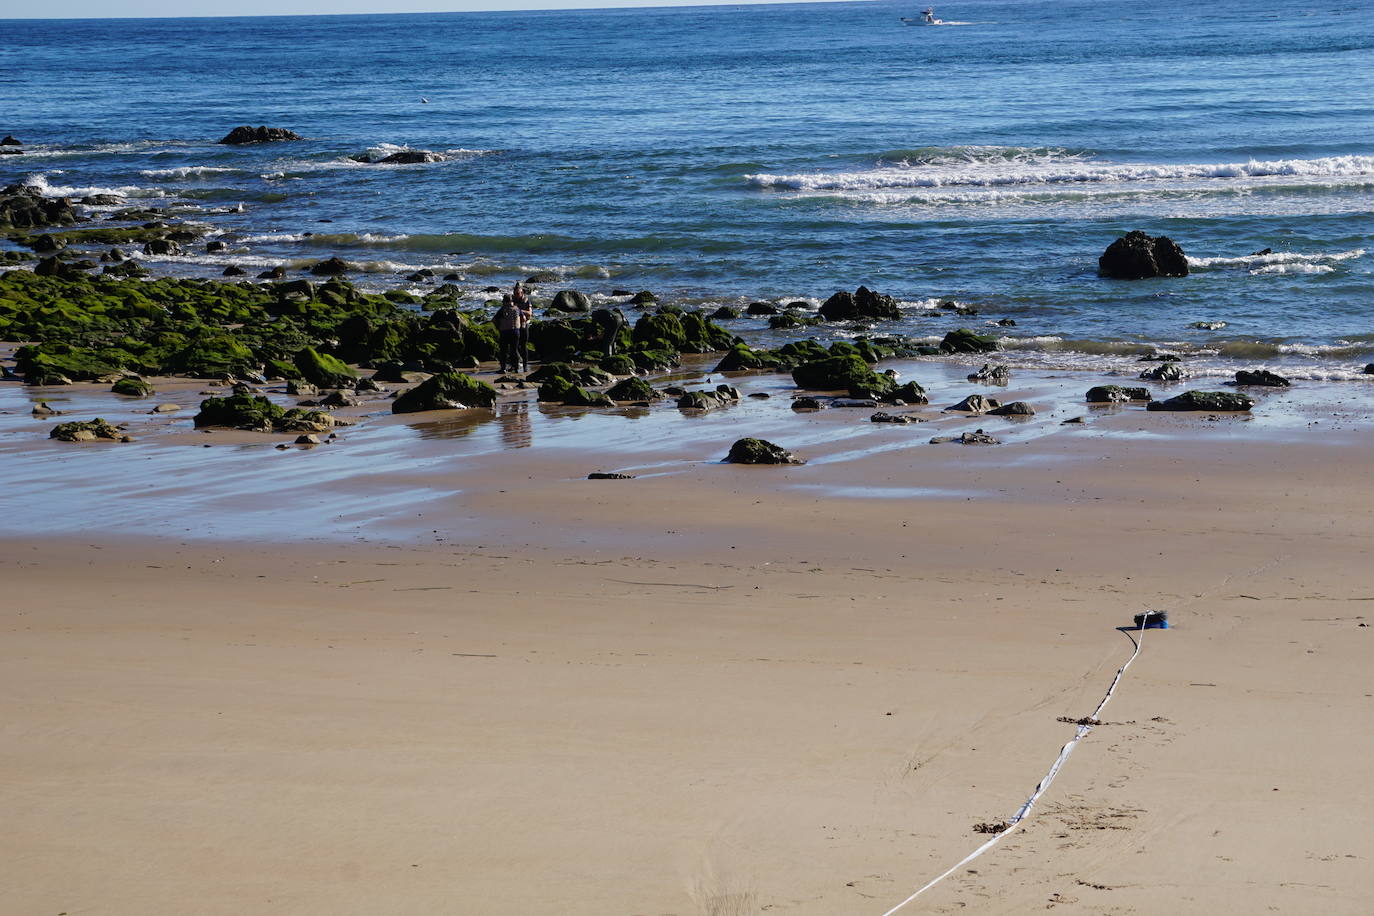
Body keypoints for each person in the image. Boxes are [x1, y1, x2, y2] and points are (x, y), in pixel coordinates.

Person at [494, 294, 521, 373]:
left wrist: (498, 328)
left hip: (505, 332)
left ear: (505, 302)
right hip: (516, 332)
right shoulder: (517, 309)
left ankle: (503, 368)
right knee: (514, 350)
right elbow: (523, 318)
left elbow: (494, 320)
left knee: (503, 351)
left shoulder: (502, 310)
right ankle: (515, 367)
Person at [512, 282, 533, 371]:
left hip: (524, 325)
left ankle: (525, 365)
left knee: (524, 346)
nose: (516, 295)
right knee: (514, 346)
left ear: (522, 293)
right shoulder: (512, 300)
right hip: (514, 326)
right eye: (515, 293)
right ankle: (515, 365)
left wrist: (519, 310)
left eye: (518, 293)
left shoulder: (526, 300)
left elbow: (530, 313)